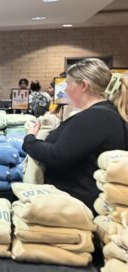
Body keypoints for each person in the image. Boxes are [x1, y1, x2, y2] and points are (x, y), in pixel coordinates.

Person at [23, 58, 128, 211]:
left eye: (68, 84)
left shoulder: (97, 117)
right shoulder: (104, 113)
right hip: (79, 202)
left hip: (76, 206)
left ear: (84, 85)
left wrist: (30, 140)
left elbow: (57, 156)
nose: (65, 90)